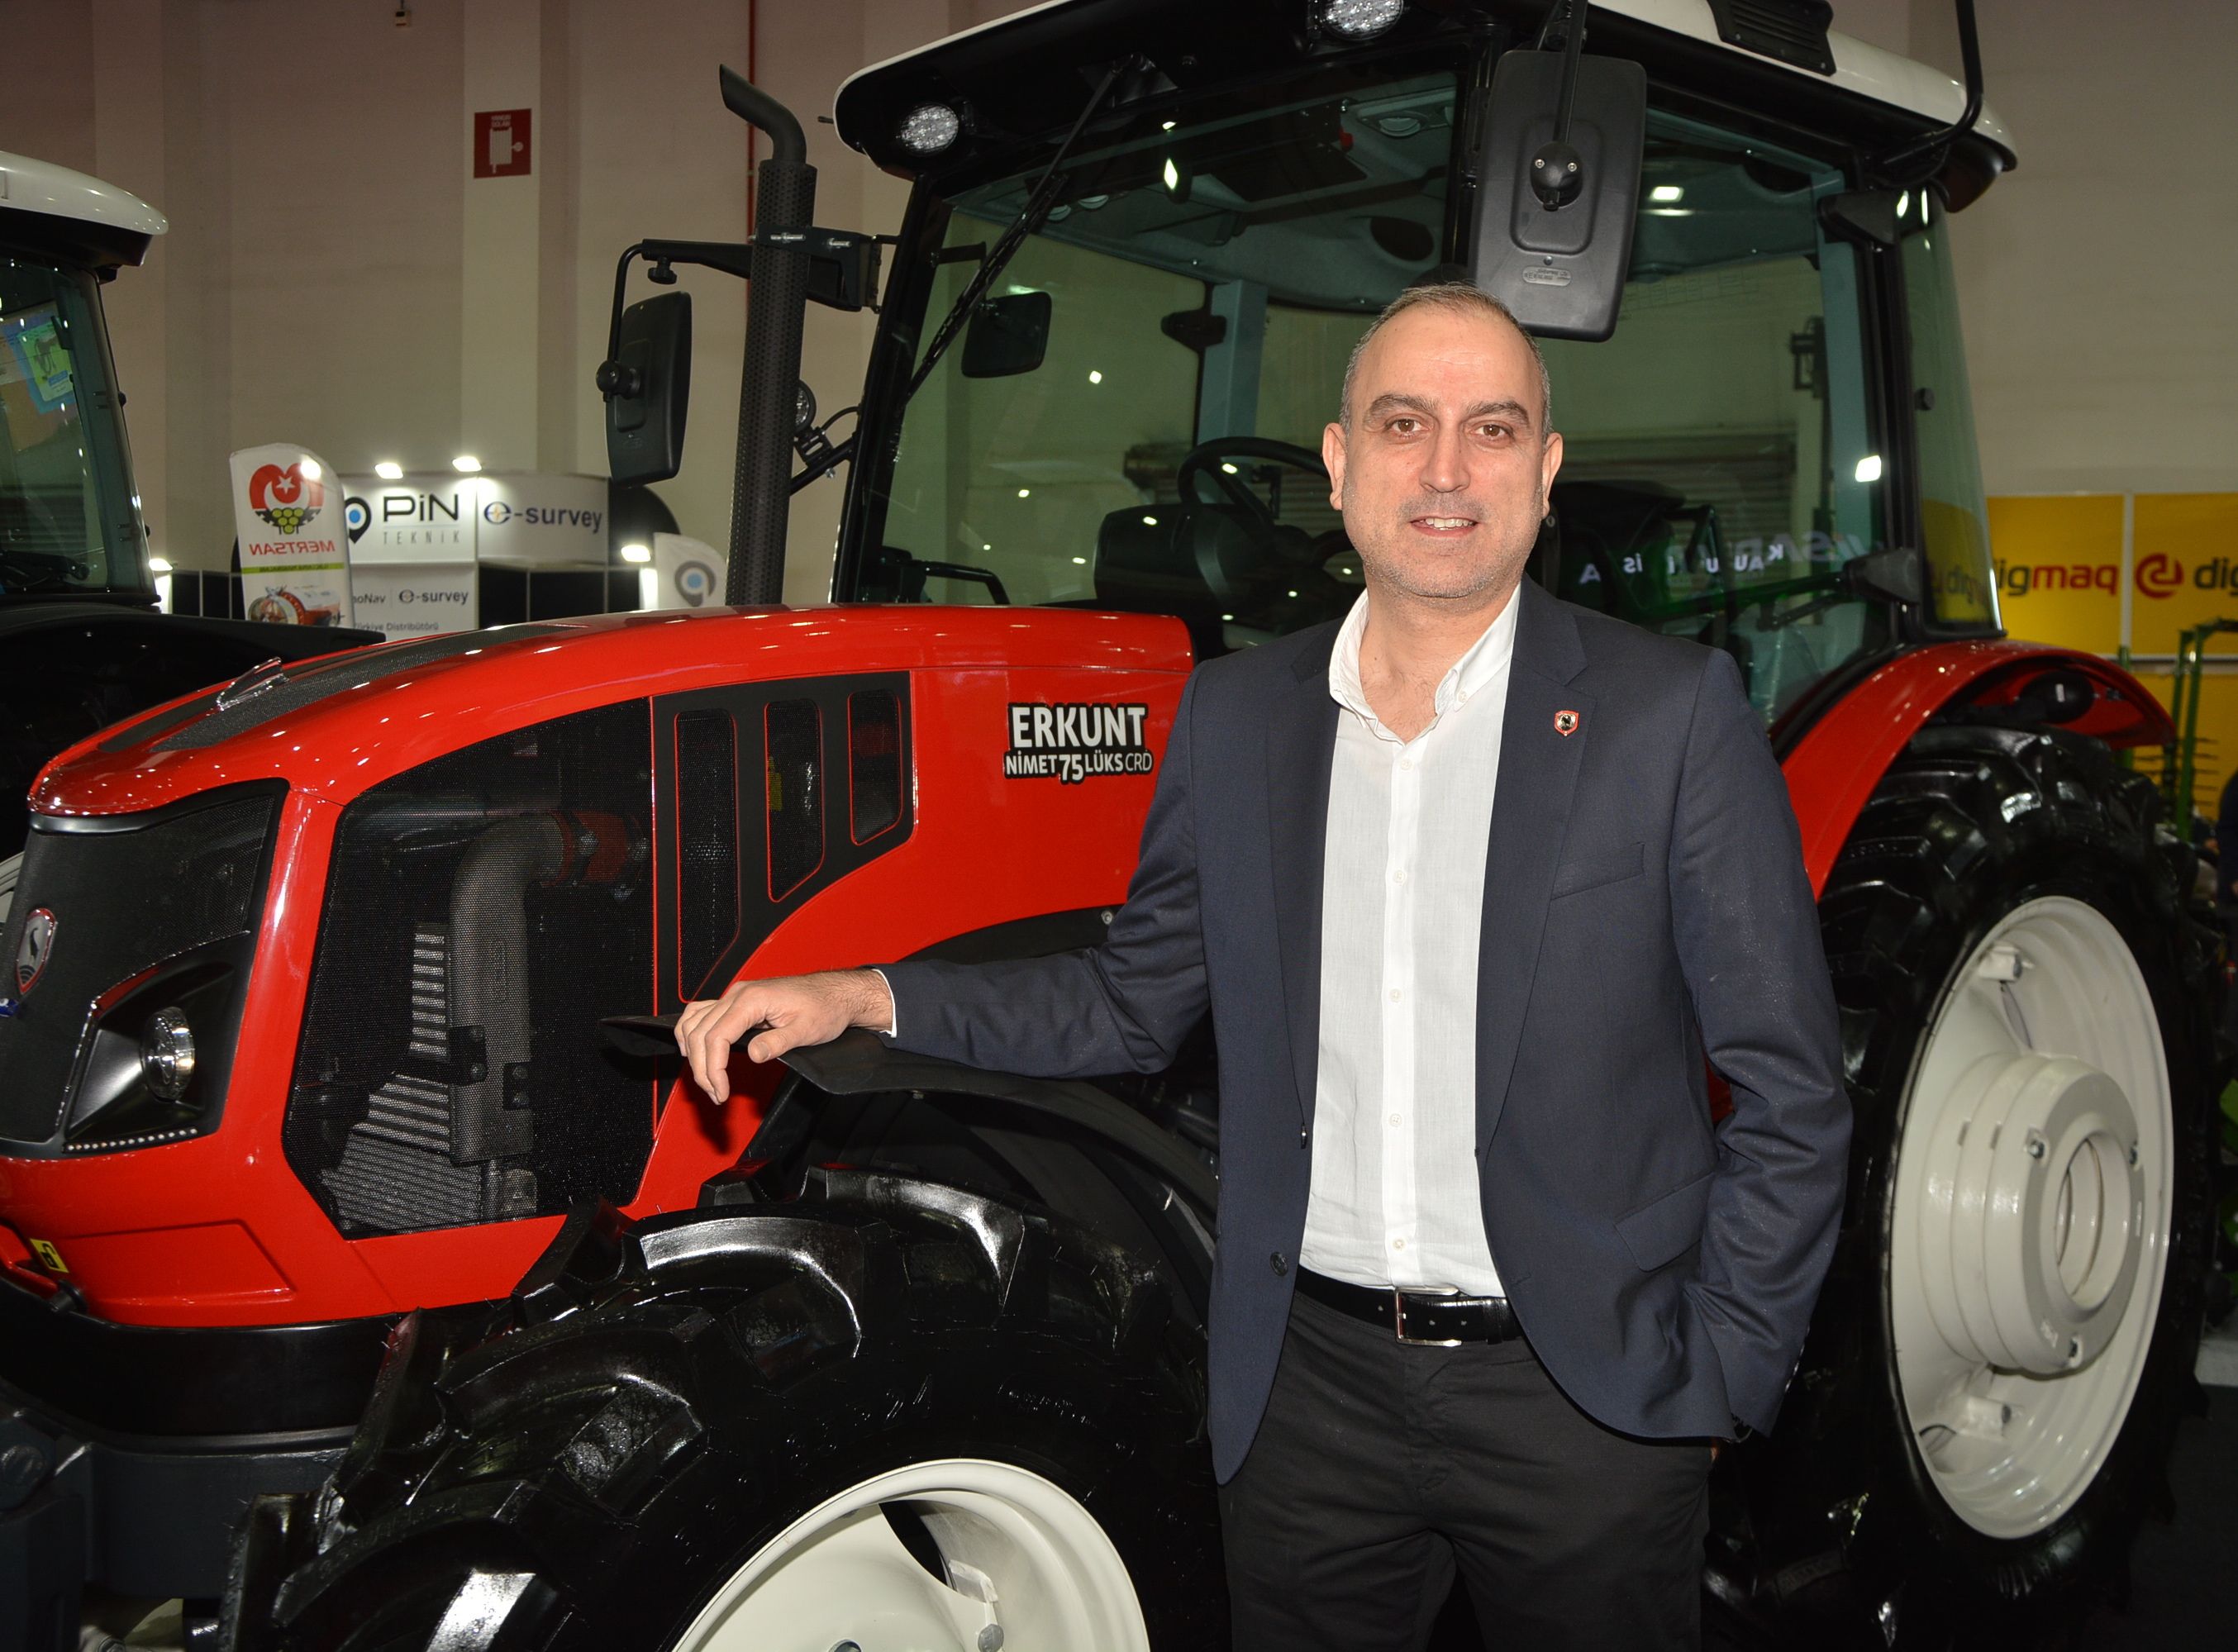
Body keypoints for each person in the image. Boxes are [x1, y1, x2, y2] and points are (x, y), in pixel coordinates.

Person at [676, 283, 1850, 1650]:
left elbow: (1792, 1091)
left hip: (1588, 1398)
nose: (1447, 470)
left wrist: (1722, 1373)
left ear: (1544, 471)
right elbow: (1128, 1001)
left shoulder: (1671, 714)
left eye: (1491, 429)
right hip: (1310, 1398)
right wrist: (866, 995)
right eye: (1403, 425)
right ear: (1340, 467)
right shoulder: (1237, 718)